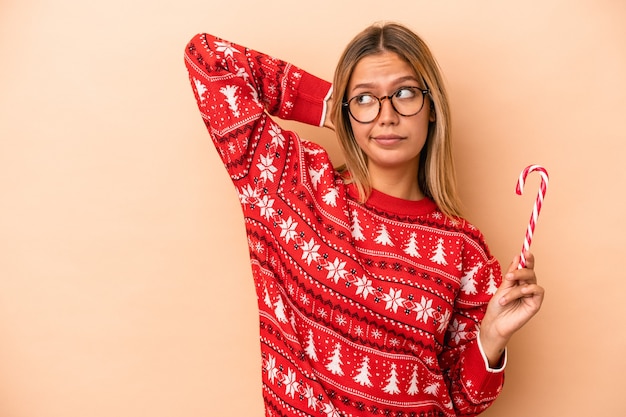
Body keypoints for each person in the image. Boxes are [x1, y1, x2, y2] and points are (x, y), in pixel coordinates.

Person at [184, 22, 544, 417]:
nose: (387, 115)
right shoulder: (291, 186)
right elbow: (209, 59)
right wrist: (333, 107)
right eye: (365, 99)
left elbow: (464, 402)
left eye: (405, 94)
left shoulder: (464, 250)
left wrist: (491, 338)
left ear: (432, 109)